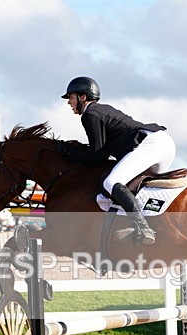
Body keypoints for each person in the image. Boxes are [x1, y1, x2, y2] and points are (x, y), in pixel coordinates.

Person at [56, 76, 176, 245]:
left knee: (111, 182)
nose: (69, 102)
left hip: (151, 145)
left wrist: (67, 150)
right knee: (138, 189)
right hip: (164, 144)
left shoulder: (90, 114)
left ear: (82, 97)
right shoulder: (100, 110)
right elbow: (101, 151)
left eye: (71, 97)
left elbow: (97, 155)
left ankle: (143, 228)